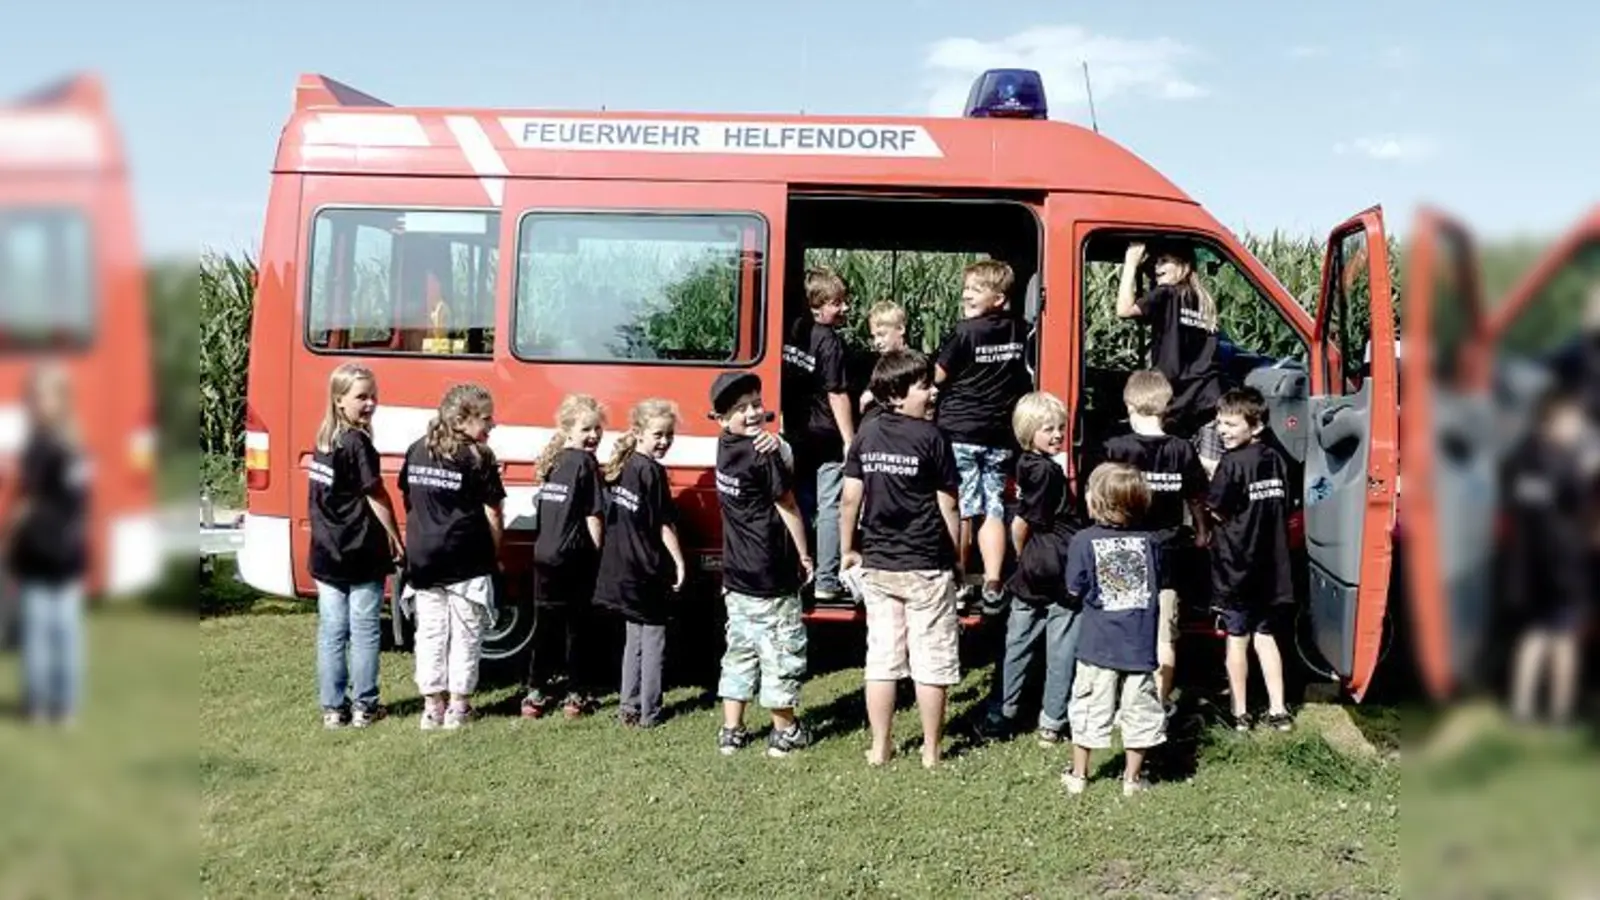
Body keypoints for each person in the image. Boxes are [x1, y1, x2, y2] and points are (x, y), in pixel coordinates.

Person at [840, 350, 963, 768]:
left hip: (878, 563)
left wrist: (848, 549)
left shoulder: (866, 434)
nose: (932, 392)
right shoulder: (933, 437)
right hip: (926, 563)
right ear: (894, 394)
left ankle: (880, 747)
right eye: (923, 386)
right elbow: (949, 504)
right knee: (932, 660)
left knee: (882, 659)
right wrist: (957, 555)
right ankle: (931, 750)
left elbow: (850, 499)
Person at [711, 370, 815, 757]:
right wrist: (804, 554)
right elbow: (787, 503)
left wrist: (775, 444)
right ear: (722, 418)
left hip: (737, 573)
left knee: (739, 650)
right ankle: (785, 731)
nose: (753, 413)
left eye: (756, 404)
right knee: (780, 651)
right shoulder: (762, 452)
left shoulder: (725, 446)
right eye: (742, 409)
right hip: (771, 569)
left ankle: (732, 730)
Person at [1098, 369, 1211, 714]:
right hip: (1167, 551)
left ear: (1129, 404)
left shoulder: (1115, 447)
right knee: (1164, 634)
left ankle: (1118, 704)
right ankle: (1156, 704)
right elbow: (1196, 498)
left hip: (1122, 549)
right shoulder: (1181, 449)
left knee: (1121, 628)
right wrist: (1202, 530)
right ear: (1167, 407)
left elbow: (1100, 498)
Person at [399, 383, 505, 731]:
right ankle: (459, 707)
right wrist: (495, 554)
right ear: (461, 420)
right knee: (466, 633)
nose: (492, 425)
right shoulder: (478, 456)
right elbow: (493, 512)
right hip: (466, 558)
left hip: (423, 557)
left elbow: (409, 498)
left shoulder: (417, 448)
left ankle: (432, 707)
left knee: (430, 633)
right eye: (486, 418)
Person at [979, 391, 1082, 746]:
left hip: (1032, 567)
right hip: (1058, 560)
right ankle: (1052, 719)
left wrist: (1024, 560)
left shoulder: (1023, 464)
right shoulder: (1049, 471)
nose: (1057, 435)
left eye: (1060, 427)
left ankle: (1002, 711)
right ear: (1028, 431)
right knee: (1062, 644)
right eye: (1048, 429)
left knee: (1018, 640)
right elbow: (1023, 523)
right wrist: (1024, 552)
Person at [307, 363, 404, 730]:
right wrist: (395, 535)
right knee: (363, 630)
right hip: (360, 549)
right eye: (361, 397)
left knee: (332, 631)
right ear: (339, 399)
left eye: (373, 396)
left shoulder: (323, 440)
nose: (370, 403)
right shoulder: (356, 442)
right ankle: (365, 705)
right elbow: (376, 494)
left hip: (325, 550)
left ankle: (333, 709)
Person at [1061, 462, 1166, 797]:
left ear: (1097, 502)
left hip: (1098, 644)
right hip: (1139, 644)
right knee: (1140, 711)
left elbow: (1074, 587)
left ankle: (1079, 774)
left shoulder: (1083, 540)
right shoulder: (1151, 542)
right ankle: (1132, 779)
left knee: (1088, 706)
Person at [934, 259, 1033, 612]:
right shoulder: (1020, 329)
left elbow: (938, 376)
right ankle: (992, 580)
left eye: (976, 290)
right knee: (993, 506)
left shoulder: (965, 332)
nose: (967, 295)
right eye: (966, 289)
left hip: (959, 431)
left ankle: (959, 580)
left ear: (999, 298)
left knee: (962, 507)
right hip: (999, 434)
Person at [1500, 387, 1597, 728]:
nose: (1577, 429)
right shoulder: (1564, 463)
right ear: (1555, 420)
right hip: (1561, 566)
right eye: (1574, 422)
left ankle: (1522, 708)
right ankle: (1559, 714)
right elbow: (1578, 510)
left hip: (1526, 567)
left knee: (1535, 635)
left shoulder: (1519, 458)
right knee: (1565, 640)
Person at [3, 364, 90, 726]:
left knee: (51, 637)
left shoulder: (50, 448)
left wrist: (13, 535)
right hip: (55, 557)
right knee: (53, 637)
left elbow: (35, 501)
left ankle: (50, 706)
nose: (37, 404)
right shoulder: (65, 446)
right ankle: (54, 706)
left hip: (49, 557)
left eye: (41, 397)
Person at [594, 399, 689, 729]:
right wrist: (679, 561)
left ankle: (629, 706)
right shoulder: (652, 471)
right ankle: (650, 712)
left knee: (634, 638)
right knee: (654, 639)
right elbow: (664, 523)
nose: (664, 441)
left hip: (621, 567)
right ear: (638, 433)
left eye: (669, 435)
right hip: (646, 569)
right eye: (658, 434)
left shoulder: (623, 465)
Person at [1206, 386, 1295, 732]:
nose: (1222, 430)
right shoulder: (1276, 459)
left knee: (1236, 637)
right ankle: (1278, 709)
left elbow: (1217, 508)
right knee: (1266, 636)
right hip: (1272, 567)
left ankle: (1240, 712)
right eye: (1219, 423)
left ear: (1255, 426)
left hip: (1236, 566)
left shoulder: (1231, 463)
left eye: (1230, 424)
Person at [522, 394, 608, 720]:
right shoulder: (586, 463)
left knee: (545, 627)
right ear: (568, 429)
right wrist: (598, 553)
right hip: (574, 556)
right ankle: (576, 695)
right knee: (577, 628)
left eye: (597, 428)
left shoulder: (553, 461)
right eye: (586, 429)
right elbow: (593, 514)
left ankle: (535, 694)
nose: (594, 435)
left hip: (544, 555)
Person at [1114, 240, 1225, 476]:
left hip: (1173, 401)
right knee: (1208, 475)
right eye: (1155, 263)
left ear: (1184, 266)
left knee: (1167, 472)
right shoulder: (1204, 300)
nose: (1157, 267)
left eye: (1164, 261)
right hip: (1206, 400)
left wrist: (1130, 263)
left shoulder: (1166, 294)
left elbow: (1124, 310)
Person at [781, 266, 855, 603]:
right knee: (831, 506)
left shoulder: (793, 331)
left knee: (801, 501)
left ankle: (799, 571)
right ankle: (826, 579)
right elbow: (836, 393)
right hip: (826, 435)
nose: (844, 308)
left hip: (798, 432)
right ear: (816, 305)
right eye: (836, 303)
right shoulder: (829, 342)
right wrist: (849, 439)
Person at [858, 300, 909, 418]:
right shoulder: (876, 363)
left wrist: (874, 393)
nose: (877, 342)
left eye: (881, 335)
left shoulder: (915, 364)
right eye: (874, 336)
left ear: (900, 329)